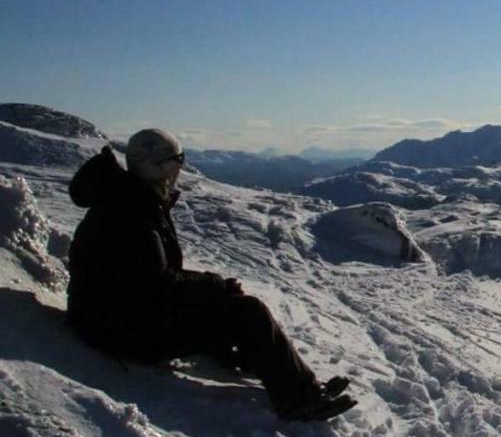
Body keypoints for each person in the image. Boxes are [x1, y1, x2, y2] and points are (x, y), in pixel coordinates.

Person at [66, 128, 355, 421]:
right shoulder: (133, 210)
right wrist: (214, 285)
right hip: (119, 330)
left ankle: (273, 370)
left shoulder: (128, 199)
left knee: (223, 302)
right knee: (248, 312)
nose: (180, 169)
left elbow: (147, 276)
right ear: (163, 167)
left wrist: (213, 288)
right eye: (178, 161)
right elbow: (157, 284)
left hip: (108, 317)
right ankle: (298, 400)